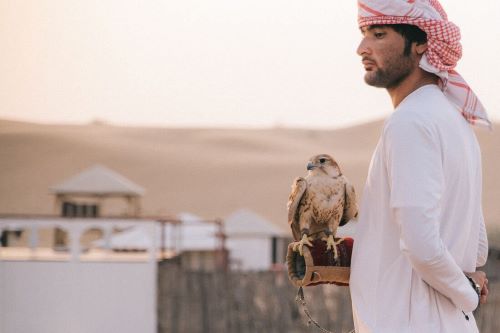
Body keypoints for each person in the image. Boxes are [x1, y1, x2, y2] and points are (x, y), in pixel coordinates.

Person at [349, 1, 490, 332]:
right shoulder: (454, 120)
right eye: (364, 34)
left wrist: (466, 295)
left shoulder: (410, 122)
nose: (361, 49)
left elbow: (421, 246)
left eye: (379, 34)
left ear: (422, 42)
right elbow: (477, 243)